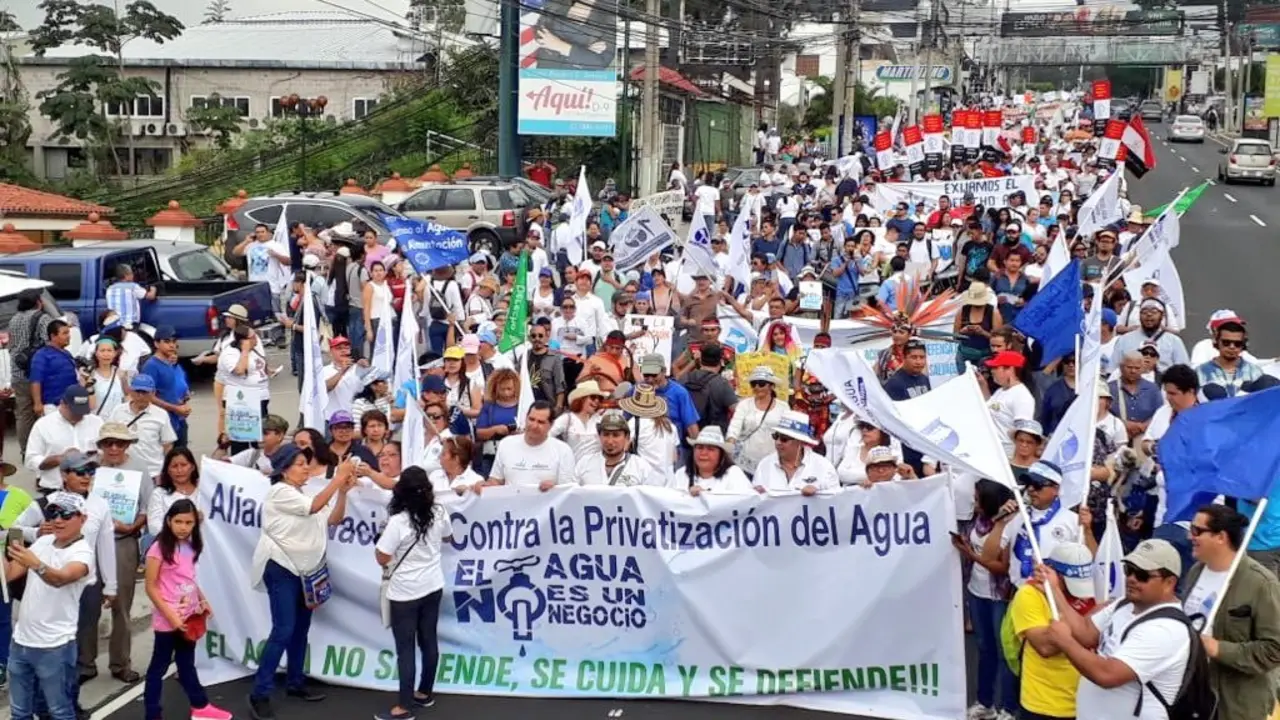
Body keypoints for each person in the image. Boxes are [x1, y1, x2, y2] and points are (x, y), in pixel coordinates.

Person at [247, 445, 357, 720]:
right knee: (283, 629)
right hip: (281, 567)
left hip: (306, 571)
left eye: (306, 463)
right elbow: (314, 507)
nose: (306, 467)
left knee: (300, 629)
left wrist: (343, 492)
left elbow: (333, 518)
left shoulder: (303, 494)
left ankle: (295, 682)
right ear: (284, 470)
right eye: (299, 463)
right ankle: (259, 693)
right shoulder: (280, 492)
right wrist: (338, 477)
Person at [1044, 539, 1197, 720]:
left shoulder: (1166, 630)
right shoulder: (1124, 604)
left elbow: (1107, 675)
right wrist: (1054, 590)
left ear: (1169, 582)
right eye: (1129, 569)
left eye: (1142, 575)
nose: (1131, 578)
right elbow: (1085, 633)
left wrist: (1064, 641)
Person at [1183, 504, 1280, 720]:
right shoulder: (1195, 572)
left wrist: (1218, 649)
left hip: (1236, 706)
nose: (1190, 536)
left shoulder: (1261, 584)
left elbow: (1274, 650)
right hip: (1194, 697)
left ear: (1221, 537)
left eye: (1197, 531)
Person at [5, 491, 95, 720]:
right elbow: (10, 573)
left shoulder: (82, 553)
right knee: (19, 712)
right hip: (21, 641)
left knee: (59, 711)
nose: (58, 520)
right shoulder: (43, 541)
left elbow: (60, 579)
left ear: (83, 519)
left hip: (55, 646)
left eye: (66, 515)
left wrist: (36, 564)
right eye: (53, 514)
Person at [374, 467, 452, 720]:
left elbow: (382, 557)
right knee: (429, 640)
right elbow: (448, 537)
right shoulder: (439, 512)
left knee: (405, 649)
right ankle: (424, 692)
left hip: (405, 592)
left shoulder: (398, 521)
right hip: (433, 585)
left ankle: (404, 707)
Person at [143, 500, 231, 720]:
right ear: (168, 521)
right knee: (158, 668)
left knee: (186, 664)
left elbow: (189, 579)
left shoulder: (191, 546)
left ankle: (200, 707)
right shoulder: (158, 548)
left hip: (190, 617)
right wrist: (171, 616)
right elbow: (150, 586)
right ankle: (152, 713)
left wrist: (203, 600)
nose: (183, 527)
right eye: (178, 521)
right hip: (168, 620)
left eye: (188, 522)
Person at [86, 421, 153, 685]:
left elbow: (148, 507)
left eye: (120, 443)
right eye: (108, 443)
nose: (114, 448)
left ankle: (120, 663)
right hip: (89, 544)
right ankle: (84, 663)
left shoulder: (139, 469)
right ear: (101, 445)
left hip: (123, 540)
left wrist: (133, 526)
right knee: (88, 604)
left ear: (127, 445)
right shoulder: (89, 467)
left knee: (122, 605)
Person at [1009, 542, 1098, 720]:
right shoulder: (1029, 594)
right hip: (1044, 704)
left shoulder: (1094, 592)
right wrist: (1087, 621)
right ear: (1052, 572)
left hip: (1086, 701)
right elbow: (1045, 647)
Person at [1003, 461, 1088, 588]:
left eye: (1037, 485)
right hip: (1018, 590)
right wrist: (1000, 522)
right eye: (1028, 484)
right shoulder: (1017, 516)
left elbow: (1089, 559)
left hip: (1053, 593)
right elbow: (996, 554)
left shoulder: (1073, 521)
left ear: (1056, 489)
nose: (1031, 489)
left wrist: (1088, 531)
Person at [480, 402, 576, 493]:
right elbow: (496, 480)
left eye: (541, 422)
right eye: (531, 419)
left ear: (551, 425)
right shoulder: (506, 444)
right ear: (526, 418)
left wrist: (555, 488)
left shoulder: (563, 450)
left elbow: (568, 490)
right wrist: (483, 486)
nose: (534, 426)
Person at [25, 386, 104, 494]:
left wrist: (93, 456)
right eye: (75, 411)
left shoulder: (97, 422)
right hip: (55, 488)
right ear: (63, 404)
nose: (79, 415)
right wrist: (59, 459)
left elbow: (106, 453)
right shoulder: (43, 425)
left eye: (82, 411)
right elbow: (31, 460)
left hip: (90, 488)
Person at [751, 410, 839, 495]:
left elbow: (836, 500)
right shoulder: (764, 465)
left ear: (800, 442)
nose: (778, 442)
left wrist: (818, 495)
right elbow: (754, 500)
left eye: (784, 439)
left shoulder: (823, 467)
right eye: (776, 436)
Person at [107, 373, 176, 478]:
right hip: (123, 471)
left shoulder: (161, 414)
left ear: (153, 393)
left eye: (144, 392)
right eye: (137, 391)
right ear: (131, 391)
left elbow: (168, 445)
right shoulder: (118, 411)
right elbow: (108, 437)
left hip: (152, 472)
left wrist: (165, 471)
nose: (140, 396)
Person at [726, 366, 787, 476]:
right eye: (754, 384)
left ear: (771, 386)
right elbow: (734, 427)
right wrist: (730, 444)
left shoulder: (783, 407)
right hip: (746, 464)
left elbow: (787, 434)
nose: (757, 387)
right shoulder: (744, 405)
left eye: (761, 383)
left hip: (774, 463)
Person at [574, 410, 657, 486]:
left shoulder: (640, 467)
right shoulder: (584, 464)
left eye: (616, 435)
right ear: (599, 436)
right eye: (606, 434)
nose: (610, 441)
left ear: (627, 437)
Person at [140, 326, 192, 447]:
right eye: (167, 341)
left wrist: (184, 397)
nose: (172, 345)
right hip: (163, 422)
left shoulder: (171, 363)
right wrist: (175, 408)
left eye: (174, 341)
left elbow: (174, 386)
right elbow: (148, 397)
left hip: (179, 420)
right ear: (156, 344)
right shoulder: (151, 366)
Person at [146, 448, 201, 537]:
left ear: (192, 467)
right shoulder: (159, 494)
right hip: (169, 542)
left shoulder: (203, 492)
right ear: (168, 470)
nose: (179, 470)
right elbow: (154, 527)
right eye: (174, 466)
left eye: (183, 465)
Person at [685, 427, 754, 495]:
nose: (703, 453)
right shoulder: (682, 474)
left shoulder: (734, 473)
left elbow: (747, 498)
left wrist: (705, 494)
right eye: (700, 448)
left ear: (721, 454)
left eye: (710, 449)